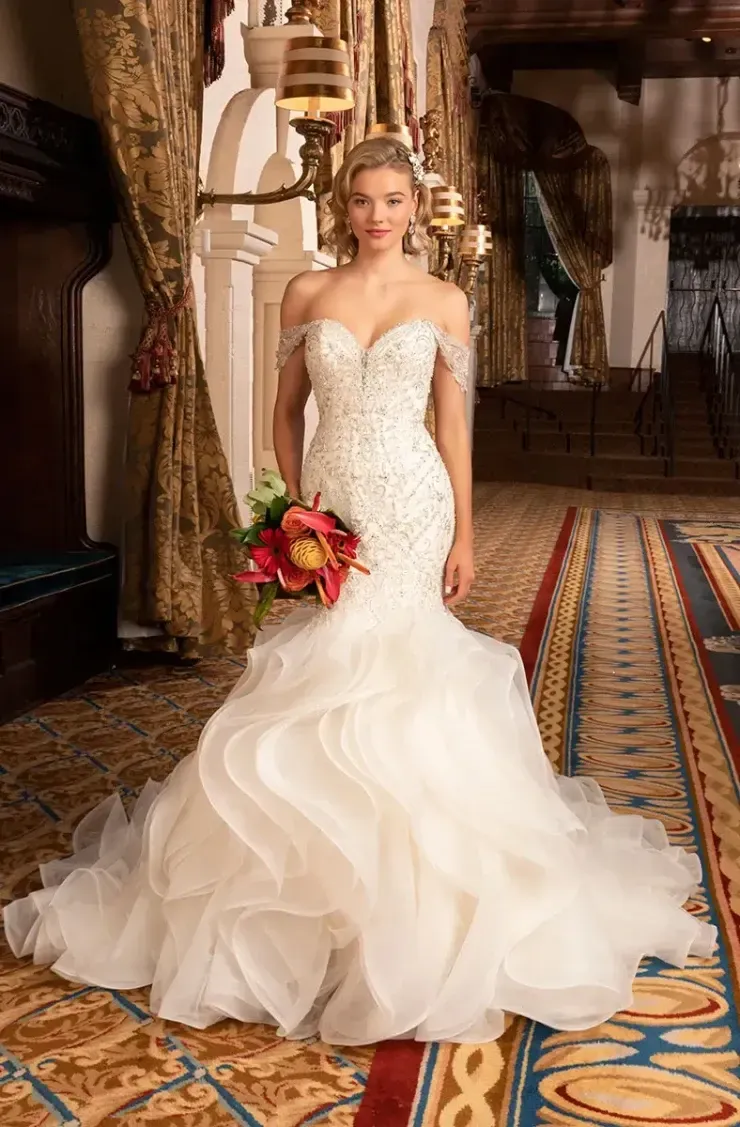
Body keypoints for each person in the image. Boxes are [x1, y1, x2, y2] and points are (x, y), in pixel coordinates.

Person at [3, 138, 716, 1046]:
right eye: (362, 200)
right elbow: (284, 409)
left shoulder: (445, 300)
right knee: (324, 669)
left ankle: (419, 900)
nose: (377, 215)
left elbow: (452, 425)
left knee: (401, 667)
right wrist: (296, 507)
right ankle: (310, 897)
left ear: (415, 206)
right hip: (333, 502)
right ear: (344, 206)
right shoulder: (310, 292)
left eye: (392, 199)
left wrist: (463, 530)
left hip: (414, 505)